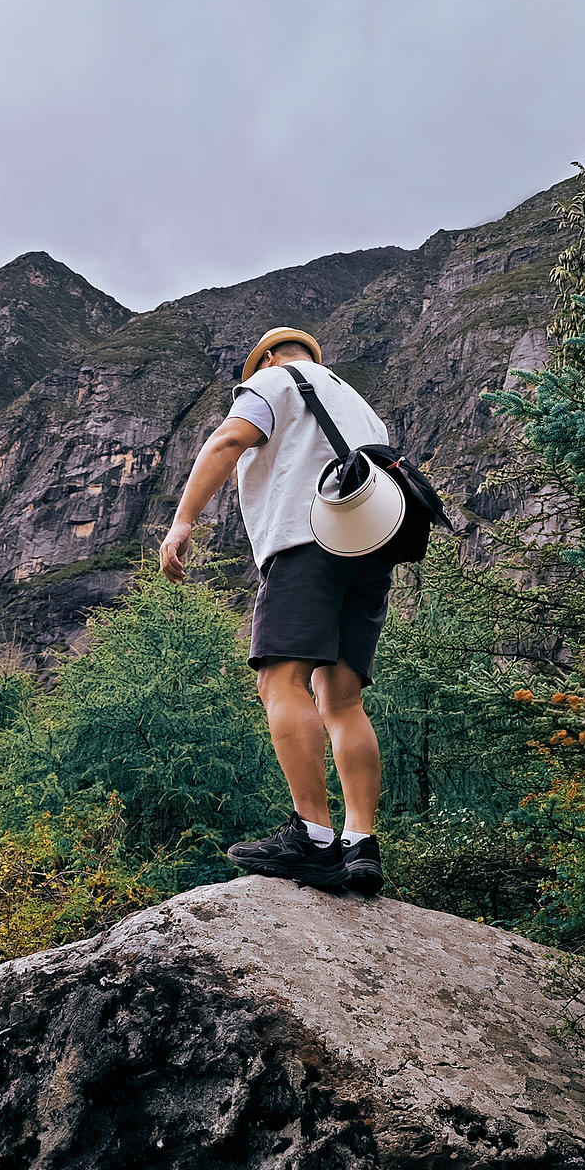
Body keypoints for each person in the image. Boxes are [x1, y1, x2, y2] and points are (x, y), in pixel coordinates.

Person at [159, 326, 391, 894]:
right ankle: (361, 843)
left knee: (280, 679)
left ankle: (313, 837)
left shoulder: (274, 381)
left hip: (306, 543)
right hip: (369, 550)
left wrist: (183, 522)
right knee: (343, 699)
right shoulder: (364, 409)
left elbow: (227, 442)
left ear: (265, 358)